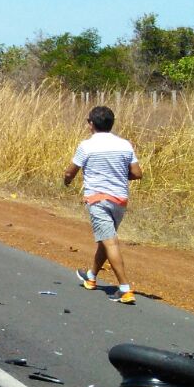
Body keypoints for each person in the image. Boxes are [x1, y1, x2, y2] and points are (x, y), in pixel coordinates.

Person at [64, 105, 143, 305]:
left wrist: (66, 181)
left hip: (98, 199)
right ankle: (91, 277)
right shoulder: (125, 144)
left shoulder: (86, 146)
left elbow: (70, 172)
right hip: (120, 200)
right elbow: (136, 173)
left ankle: (125, 289)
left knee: (110, 241)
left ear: (91, 124)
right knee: (106, 239)